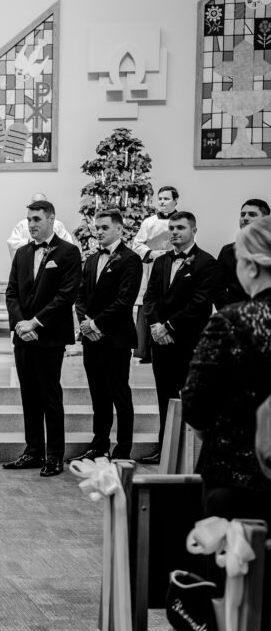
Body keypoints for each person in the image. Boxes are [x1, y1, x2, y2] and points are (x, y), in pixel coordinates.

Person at [182, 215, 271, 523]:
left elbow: (195, 402)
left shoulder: (232, 320)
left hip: (237, 473)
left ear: (252, 265)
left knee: (236, 566)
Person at [2, 200, 81, 477]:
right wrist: (21, 324)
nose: (31, 224)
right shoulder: (22, 253)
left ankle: (55, 456)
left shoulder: (69, 253)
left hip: (49, 336)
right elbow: (11, 292)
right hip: (24, 336)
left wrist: (36, 322)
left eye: (36, 219)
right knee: (29, 395)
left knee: (49, 395)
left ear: (50, 219)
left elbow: (66, 295)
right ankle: (33, 451)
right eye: (28, 220)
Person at [140, 211, 220, 464]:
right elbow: (149, 297)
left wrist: (169, 327)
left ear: (193, 231)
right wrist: (154, 326)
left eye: (180, 228)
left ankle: (192, 453)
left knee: (192, 399)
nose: (174, 232)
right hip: (161, 343)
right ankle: (164, 450)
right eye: (172, 228)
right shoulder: (162, 261)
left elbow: (199, 303)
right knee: (165, 397)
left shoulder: (207, 263)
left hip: (188, 342)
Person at [70, 210, 143, 461]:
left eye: (104, 227)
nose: (98, 231)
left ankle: (123, 449)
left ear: (119, 230)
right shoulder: (91, 259)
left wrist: (96, 324)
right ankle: (99, 443)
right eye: (97, 227)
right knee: (98, 395)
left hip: (115, 338)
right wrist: (84, 324)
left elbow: (125, 300)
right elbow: (80, 296)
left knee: (119, 394)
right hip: (92, 340)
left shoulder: (130, 259)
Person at [131, 186, 179, 362]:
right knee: (148, 306)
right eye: (160, 198)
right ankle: (144, 352)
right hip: (151, 266)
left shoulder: (182, 221)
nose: (162, 202)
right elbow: (137, 244)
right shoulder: (148, 222)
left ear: (175, 200)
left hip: (174, 265)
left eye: (166, 198)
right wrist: (151, 254)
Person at [214, 198, 269, 310]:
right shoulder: (227, 251)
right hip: (235, 314)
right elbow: (217, 287)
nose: (245, 218)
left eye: (252, 214)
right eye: (242, 214)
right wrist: (228, 313)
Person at [6, 193, 73, 259]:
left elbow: (67, 245)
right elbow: (12, 244)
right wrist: (29, 242)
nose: (31, 225)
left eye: (42, 203)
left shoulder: (57, 225)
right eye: (35, 203)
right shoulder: (21, 225)